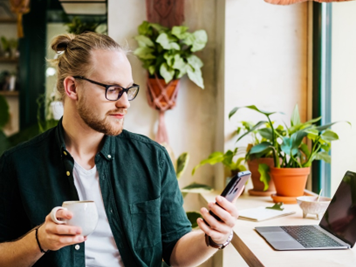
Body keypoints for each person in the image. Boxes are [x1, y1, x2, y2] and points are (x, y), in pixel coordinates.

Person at [0, 32, 239, 267]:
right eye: (112, 89)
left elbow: (176, 253)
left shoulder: (152, 158)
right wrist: (39, 241)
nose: (124, 103)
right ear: (72, 87)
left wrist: (213, 238)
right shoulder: (18, 164)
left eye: (127, 90)